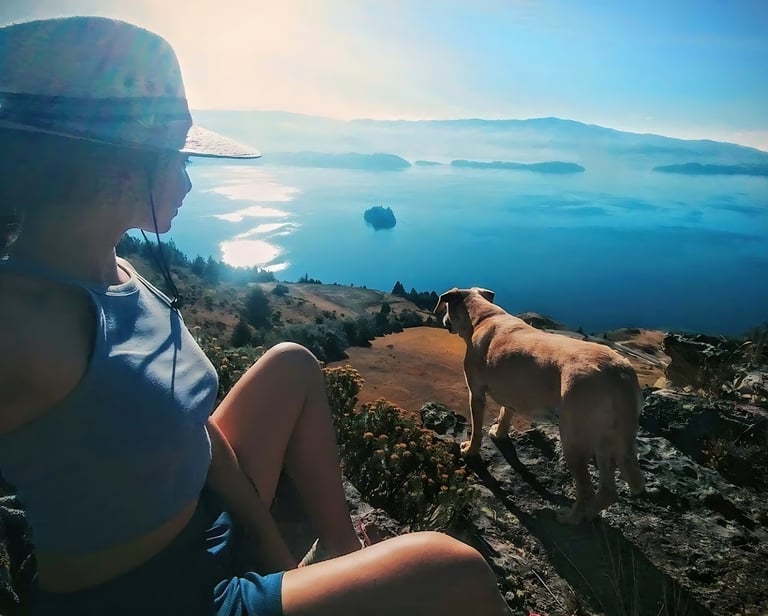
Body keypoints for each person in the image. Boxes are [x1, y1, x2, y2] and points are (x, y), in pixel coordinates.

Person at [0, 16, 513, 616]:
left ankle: (342, 549)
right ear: (118, 167)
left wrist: (273, 553)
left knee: (292, 362)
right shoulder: (26, 322)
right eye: (178, 159)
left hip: (204, 526)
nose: (189, 179)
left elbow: (193, 426)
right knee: (451, 568)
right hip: (154, 597)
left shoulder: (117, 267)